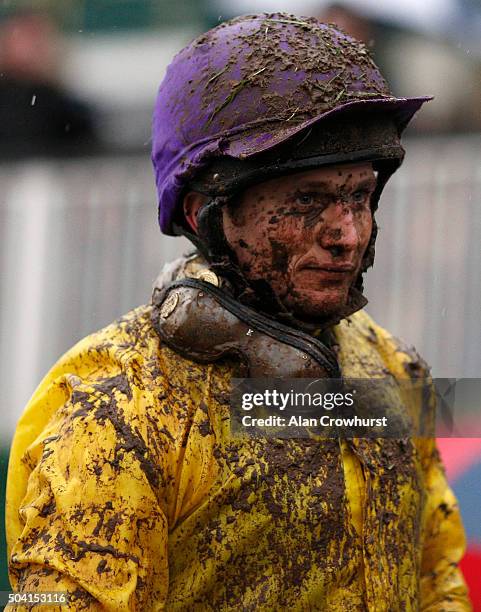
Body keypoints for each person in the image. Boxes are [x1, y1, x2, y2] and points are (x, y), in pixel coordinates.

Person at [5, 13, 471, 611]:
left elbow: (437, 583)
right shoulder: (118, 414)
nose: (348, 234)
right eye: (308, 200)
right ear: (206, 215)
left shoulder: (394, 371)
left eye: (358, 195)